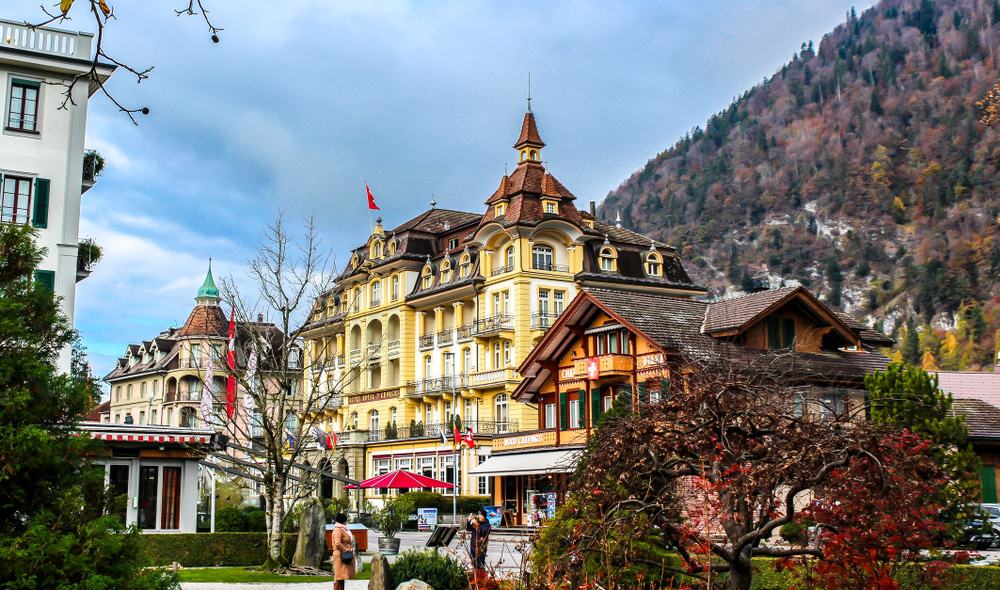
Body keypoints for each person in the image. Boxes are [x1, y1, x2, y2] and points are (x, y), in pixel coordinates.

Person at [331, 513, 355, 590]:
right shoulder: (338, 530)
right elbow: (337, 543)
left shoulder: (342, 529)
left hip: (342, 555)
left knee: (342, 577)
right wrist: (346, 550)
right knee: (338, 577)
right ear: (343, 521)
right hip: (339, 555)